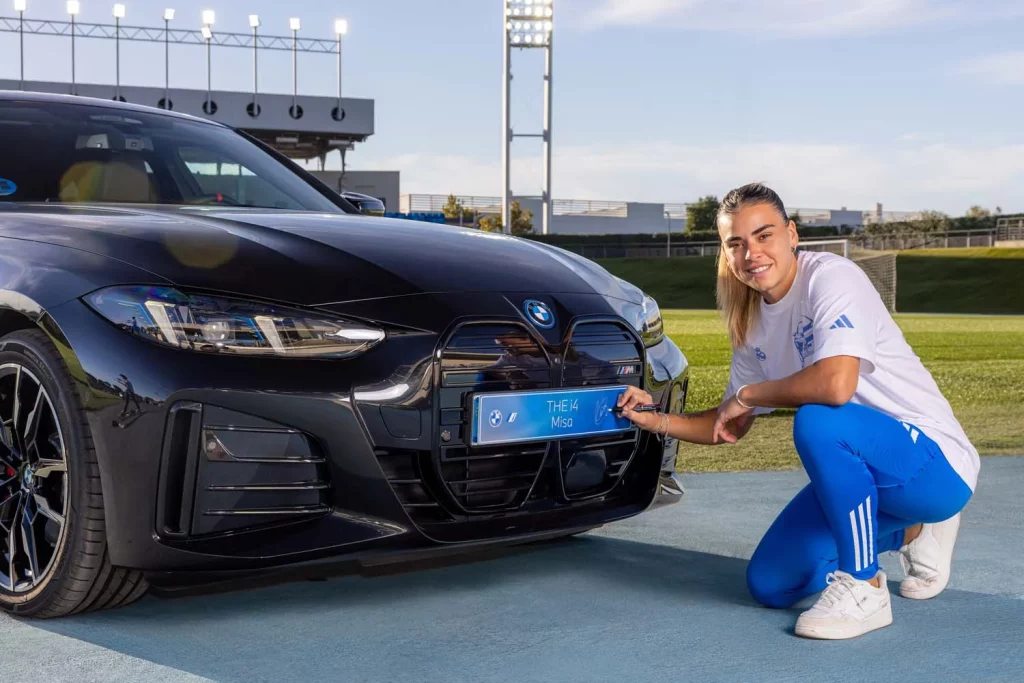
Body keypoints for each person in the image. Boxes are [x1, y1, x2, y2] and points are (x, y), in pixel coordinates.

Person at [616, 183, 979, 640]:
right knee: (771, 582)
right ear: (726, 254)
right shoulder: (750, 323)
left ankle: (865, 587)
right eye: (736, 243)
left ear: (791, 234)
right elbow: (729, 425)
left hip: (934, 466)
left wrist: (749, 394)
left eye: (763, 236)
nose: (751, 253)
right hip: (868, 479)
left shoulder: (831, 277)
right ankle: (915, 534)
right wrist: (656, 418)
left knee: (820, 419)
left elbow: (835, 385)